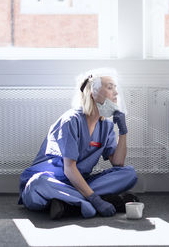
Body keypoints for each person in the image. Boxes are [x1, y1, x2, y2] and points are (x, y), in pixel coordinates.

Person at [18, 68, 138, 219]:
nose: (116, 93)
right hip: (53, 182)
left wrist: (123, 131)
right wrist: (94, 199)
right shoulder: (71, 121)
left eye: (115, 87)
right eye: (109, 87)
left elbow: (118, 163)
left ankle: (68, 203)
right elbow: (69, 169)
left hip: (79, 182)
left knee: (128, 174)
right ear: (92, 93)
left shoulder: (105, 126)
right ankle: (91, 200)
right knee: (38, 184)